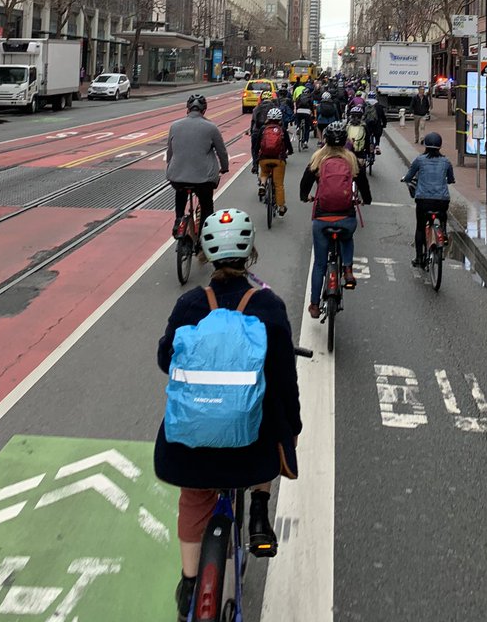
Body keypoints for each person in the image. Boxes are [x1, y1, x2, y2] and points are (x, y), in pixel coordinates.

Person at [155, 208, 301, 621]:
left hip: (190, 450)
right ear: (250, 251)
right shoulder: (269, 305)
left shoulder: (189, 304)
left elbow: (166, 359)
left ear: (206, 252)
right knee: (270, 417)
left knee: (193, 498)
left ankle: (188, 583)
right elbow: (284, 382)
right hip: (250, 452)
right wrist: (292, 428)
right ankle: (258, 507)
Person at [299, 120, 371, 316]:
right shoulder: (351, 160)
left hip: (322, 219)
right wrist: (367, 199)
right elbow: (363, 184)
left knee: (320, 264)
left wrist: (305, 197)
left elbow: (304, 184)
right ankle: (348, 269)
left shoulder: (317, 160)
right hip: (346, 216)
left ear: (326, 141)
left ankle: (314, 305)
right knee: (347, 237)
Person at [166, 94, 230, 238]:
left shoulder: (174, 126)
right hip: (203, 179)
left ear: (188, 109)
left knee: (180, 191)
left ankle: (178, 219)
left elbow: (170, 152)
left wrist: (171, 166)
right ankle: (204, 236)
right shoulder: (211, 128)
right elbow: (222, 152)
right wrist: (224, 167)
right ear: (204, 110)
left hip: (177, 176)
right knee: (207, 204)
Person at [401, 131, 455, 268]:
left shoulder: (420, 160)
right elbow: (451, 179)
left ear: (425, 145)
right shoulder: (446, 161)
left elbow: (409, 176)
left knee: (420, 227)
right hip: (442, 201)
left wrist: (405, 179)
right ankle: (443, 230)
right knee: (442, 214)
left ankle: (419, 258)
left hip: (423, 200)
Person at [258, 106, 292, 215]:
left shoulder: (263, 130)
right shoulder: (282, 131)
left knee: (264, 172)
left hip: (264, 159)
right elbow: (288, 145)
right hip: (278, 160)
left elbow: (256, 145)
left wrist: (256, 159)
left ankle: (263, 184)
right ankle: (281, 207)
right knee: (279, 185)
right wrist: (290, 152)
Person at [249, 90, 276, 173]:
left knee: (254, 149)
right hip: (271, 131)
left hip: (257, 132)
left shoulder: (256, 108)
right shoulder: (275, 108)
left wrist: (251, 132)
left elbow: (253, 121)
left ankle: (255, 165)